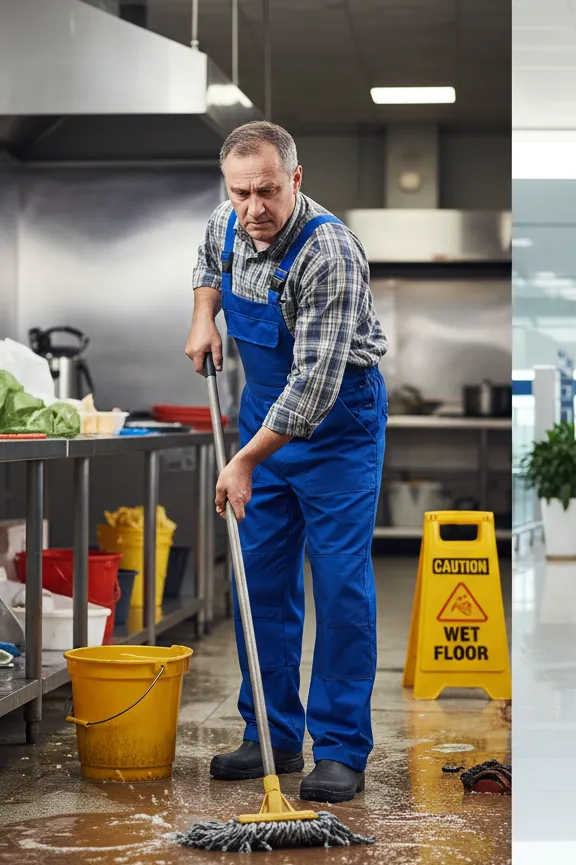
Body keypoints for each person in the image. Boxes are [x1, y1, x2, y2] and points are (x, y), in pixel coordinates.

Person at [186, 120, 388, 803]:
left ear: (295, 180)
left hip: (335, 428)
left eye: (267, 191)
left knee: (340, 589)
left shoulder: (328, 251)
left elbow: (312, 392)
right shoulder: (229, 219)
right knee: (260, 586)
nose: (253, 209)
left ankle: (339, 748)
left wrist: (242, 462)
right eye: (240, 192)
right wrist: (203, 315)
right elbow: (207, 264)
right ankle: (270, 734)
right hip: (261, 427)